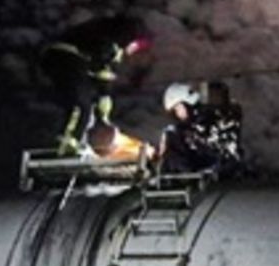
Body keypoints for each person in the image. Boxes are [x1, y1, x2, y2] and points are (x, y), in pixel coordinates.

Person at [38, 14, 150, 156]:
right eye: (136, 46)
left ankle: (75, 142)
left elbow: (100, 79)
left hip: (65, 59)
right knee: (81, 105)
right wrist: (103, 114)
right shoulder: (111, 43)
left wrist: (102, 112)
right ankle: (68, 147)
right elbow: (102, 77)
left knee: (84, 104)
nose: (133, 51)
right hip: (67, 59)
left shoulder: (106, 33)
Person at [155, 80, 218, 175]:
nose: (177, 113)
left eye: (178, 108)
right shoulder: (180, 130)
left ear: (187, 104)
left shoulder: (206, 122)